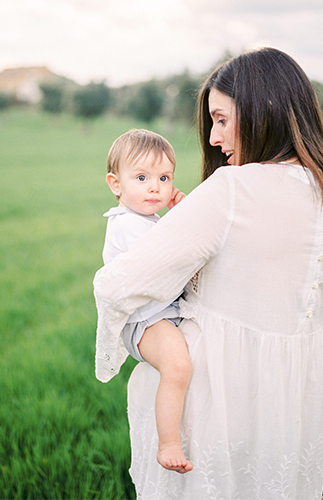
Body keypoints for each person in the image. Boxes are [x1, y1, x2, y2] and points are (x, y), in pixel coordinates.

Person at [93, 47, 323, 499]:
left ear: (265, 108)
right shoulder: (317, 186)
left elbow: (118, 285)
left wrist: (144, 341)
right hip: (299, 401)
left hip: (215, 400)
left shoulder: (233, 189)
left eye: (221, 118)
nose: (215, 138)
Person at [97, 128, 193, 473]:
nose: (155, 187)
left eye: (164, 177)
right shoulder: (127, 225)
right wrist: (187, 219)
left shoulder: (147, 220)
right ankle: (168, 443)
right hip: (145, 321)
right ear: (116, 184)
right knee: (178, 366)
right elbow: (169, 260)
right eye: (142, 177)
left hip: (160, 313)